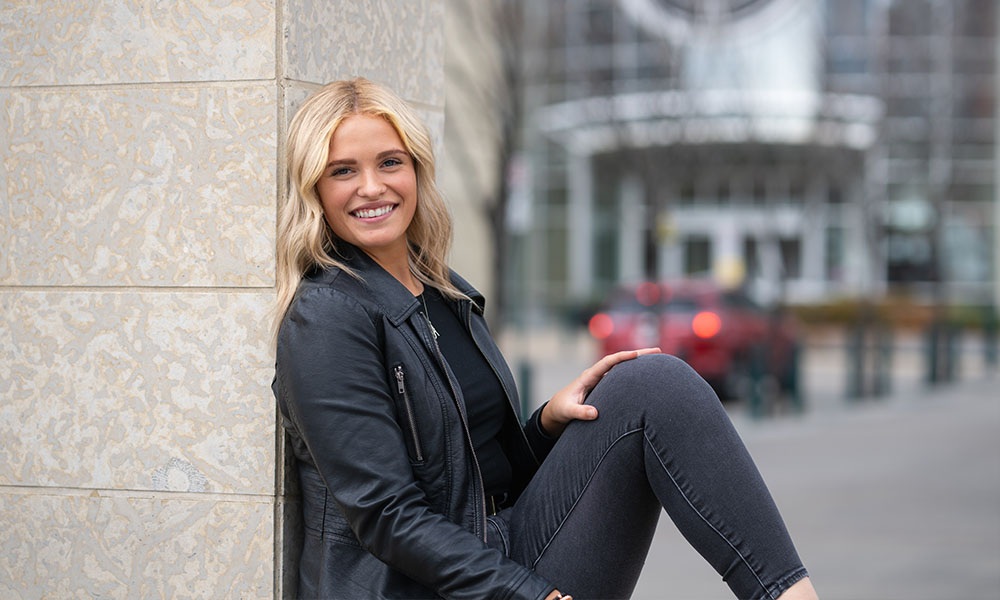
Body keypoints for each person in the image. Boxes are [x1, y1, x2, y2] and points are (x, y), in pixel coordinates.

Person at [272, 77, 818, 600]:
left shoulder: (443, 291)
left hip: (503, 546)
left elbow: (474, 469)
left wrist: (543, 426)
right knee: (654, 384)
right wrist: (524, 595)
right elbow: (386, 515)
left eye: (390, 162)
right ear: (316, 188)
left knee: (651, 384)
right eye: (343, 170)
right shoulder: (327, 317)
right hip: (427, 587)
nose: (372, 187)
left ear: (416, 169)